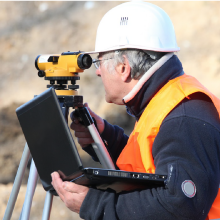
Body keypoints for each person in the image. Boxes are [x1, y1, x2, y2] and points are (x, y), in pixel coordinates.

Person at [51, 0, 220, 219]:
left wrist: (96, 205)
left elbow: (179, 205)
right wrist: (108, 138)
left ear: (123, 68)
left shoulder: (183, 118)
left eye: (99, 62)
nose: (98, 72)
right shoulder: (165, 102)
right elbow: (153, 171)